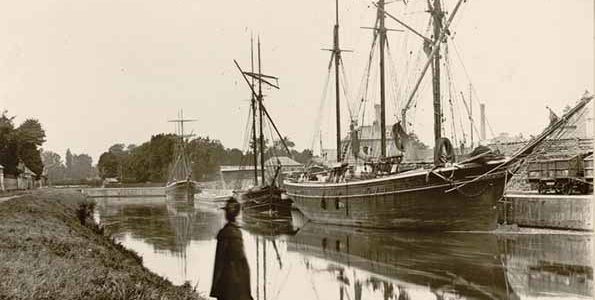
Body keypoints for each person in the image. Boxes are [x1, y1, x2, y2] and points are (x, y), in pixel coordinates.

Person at [210, 197, 253, 300]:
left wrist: (215, 287)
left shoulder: (225, 233)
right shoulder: (237, 232)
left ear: (226, 214)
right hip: (240, 280)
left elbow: (219, 262)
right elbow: (243, 262)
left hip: (227, 280)